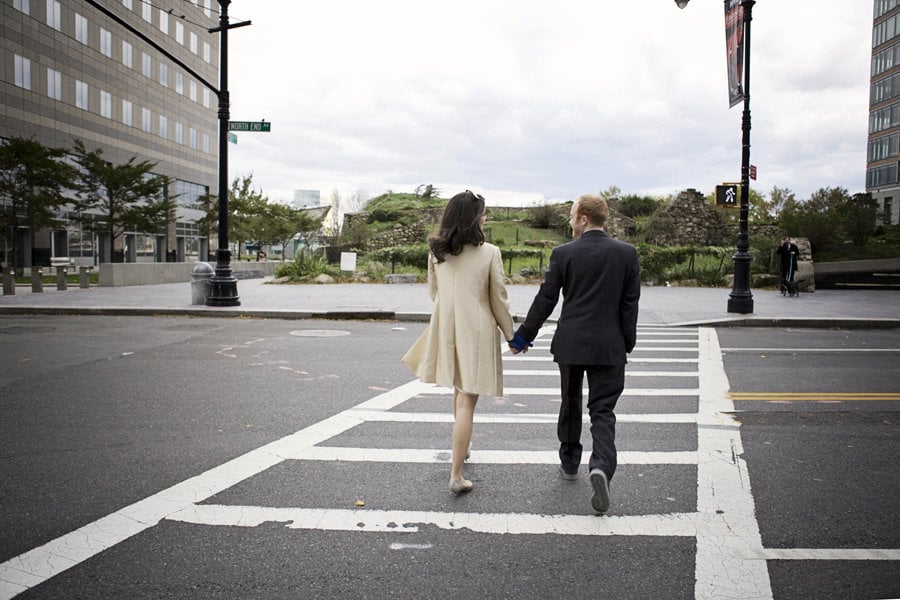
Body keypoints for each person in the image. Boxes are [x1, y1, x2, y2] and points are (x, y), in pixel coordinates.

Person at [508, 194, 640, 514]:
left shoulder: (564, 254)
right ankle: (601, 466)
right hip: (609, 345)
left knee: (570, 401)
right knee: (603, 411)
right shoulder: (627, 254)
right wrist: (626, 342)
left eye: (571, 215)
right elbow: (629, 304)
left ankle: (570, 461)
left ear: (582, 217)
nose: (569, 221)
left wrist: (524, 335)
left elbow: (546, 299)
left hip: (571, 343)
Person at [401, 190, 515, 496]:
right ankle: (455, 474)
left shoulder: (436, 252)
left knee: (456, 387)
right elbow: (498, 299)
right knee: (468, 399)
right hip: (476, 328)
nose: (485, 217)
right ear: (473, 219)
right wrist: (510, 334)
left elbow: (433, 293)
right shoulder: (489, 252)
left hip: (446, 325)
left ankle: (461, 450)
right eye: (483, 213)